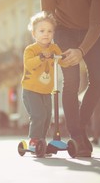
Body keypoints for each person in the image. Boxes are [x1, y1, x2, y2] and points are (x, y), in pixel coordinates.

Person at [40, 0, 100, 157]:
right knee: (71, 81)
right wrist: (48, 46)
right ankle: (78, 135)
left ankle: (79, 126)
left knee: (99, 80)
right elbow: (48, 19)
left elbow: (97, 23)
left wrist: (81, 50)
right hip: (64, 32)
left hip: (92, 32)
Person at [21, 11, 67, 151]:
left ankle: (42, 140)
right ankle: (34, 140)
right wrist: (41, 57)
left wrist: (66, 58)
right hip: (31, 90)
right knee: (38, 115)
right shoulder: (31, 49)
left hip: (46, 91)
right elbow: (29, 64)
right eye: (42, 31)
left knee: (48, 116)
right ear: (34, 34)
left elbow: (62, 62)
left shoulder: (54, 48)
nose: (46, 34)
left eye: (49, 31)